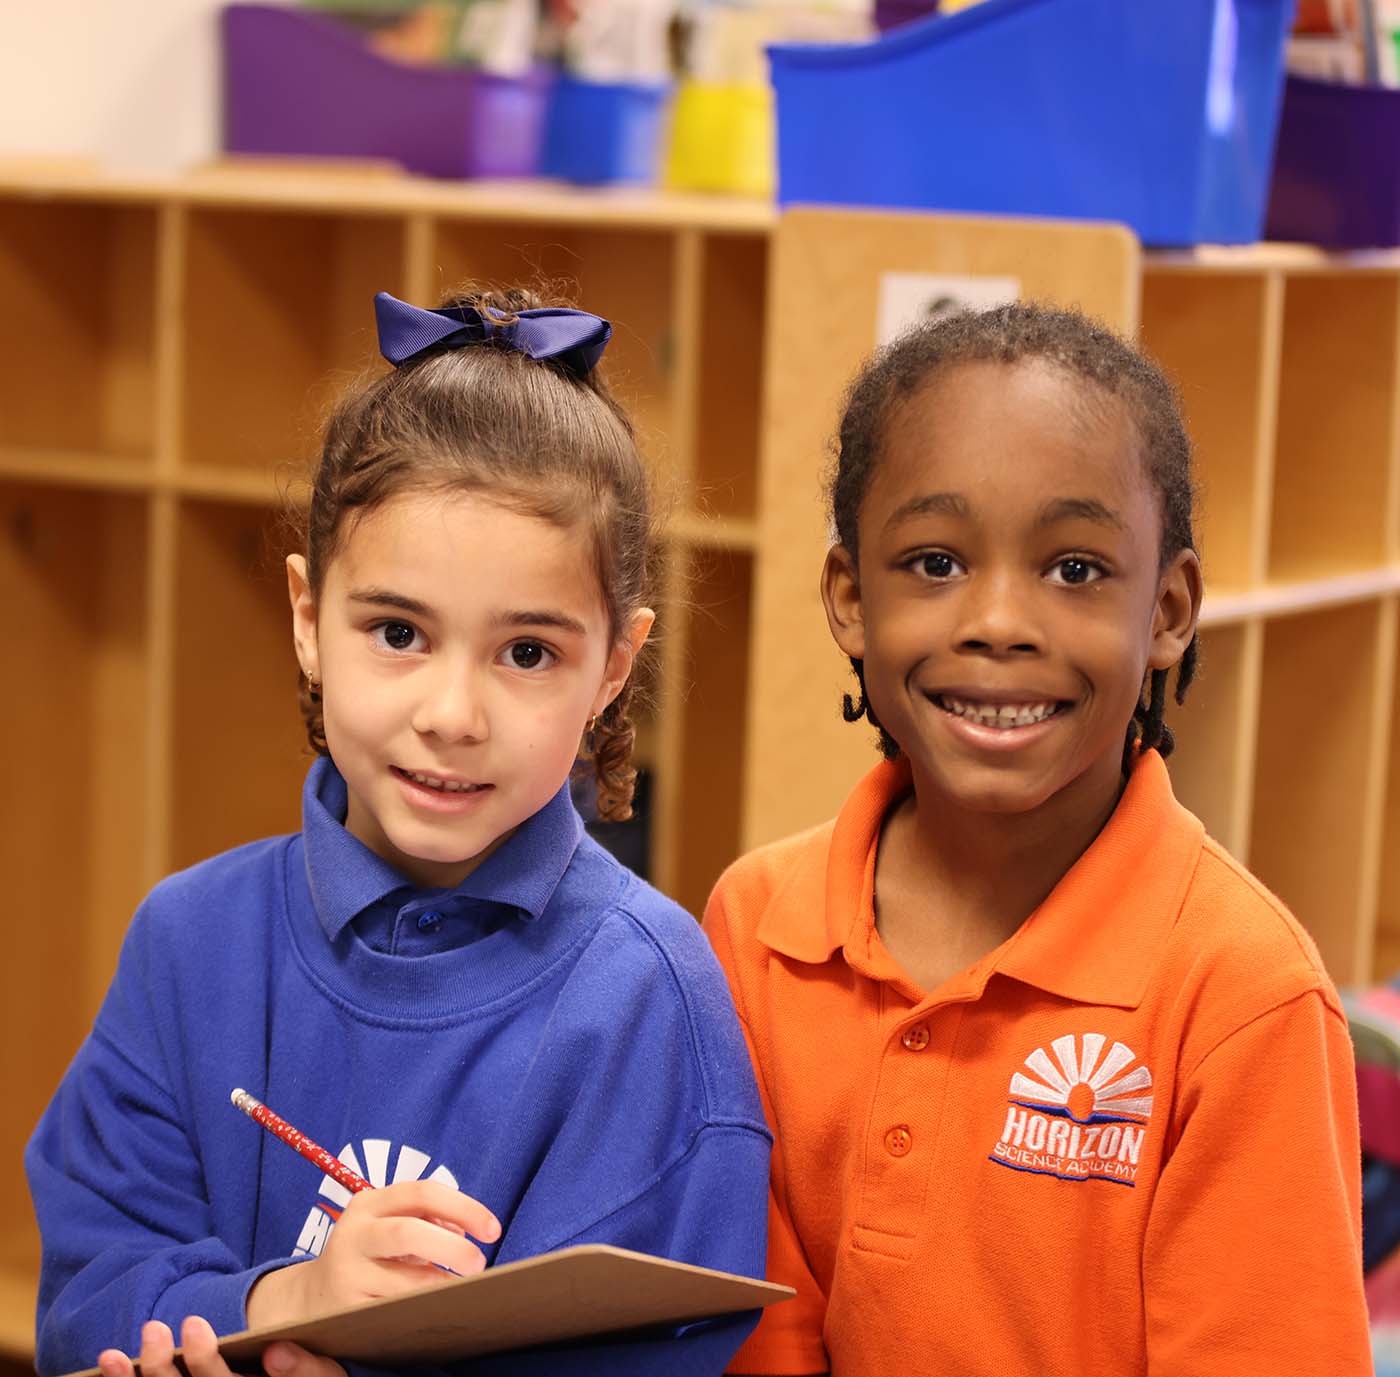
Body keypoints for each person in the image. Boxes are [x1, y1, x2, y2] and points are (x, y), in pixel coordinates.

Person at [27, 288, 771, 1377]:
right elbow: (86, 1301)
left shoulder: (649, 1004)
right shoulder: (186, 943)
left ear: (615, 665)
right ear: (305, 618)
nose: (452, 714)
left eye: (527, 653)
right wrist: (290, 1300)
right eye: (396, 632)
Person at [701, 302, 1372, 1375]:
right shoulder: (756, 927)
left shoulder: (1241, 996)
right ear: (847, 597)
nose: (998, 621)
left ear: (1166, 608)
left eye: (1073, 570)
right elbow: (752, 1335)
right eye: (931, 562)